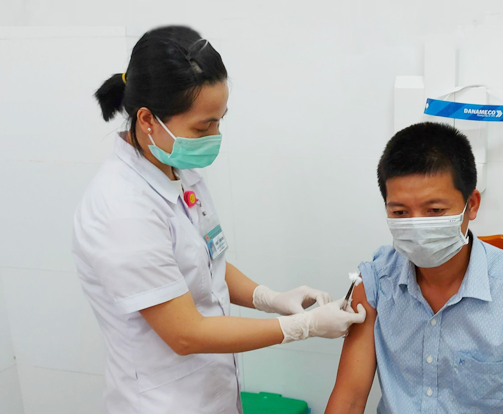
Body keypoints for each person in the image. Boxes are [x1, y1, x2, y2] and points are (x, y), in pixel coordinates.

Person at [72, 25, 365, 414]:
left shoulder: (176, 167)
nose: (215, 134)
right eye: (203, 126)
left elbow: (206, 259)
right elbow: (185, 334)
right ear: (147, 120)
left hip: (213, 396)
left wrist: (271, 298)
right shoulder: (122, 210)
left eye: (219, 119)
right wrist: (300, 328)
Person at [325, 122, 503, 413]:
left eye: (435, 211)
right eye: (400, 212)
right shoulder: (374, 282)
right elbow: (350, 399)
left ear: (472, 204)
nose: (416, 225)